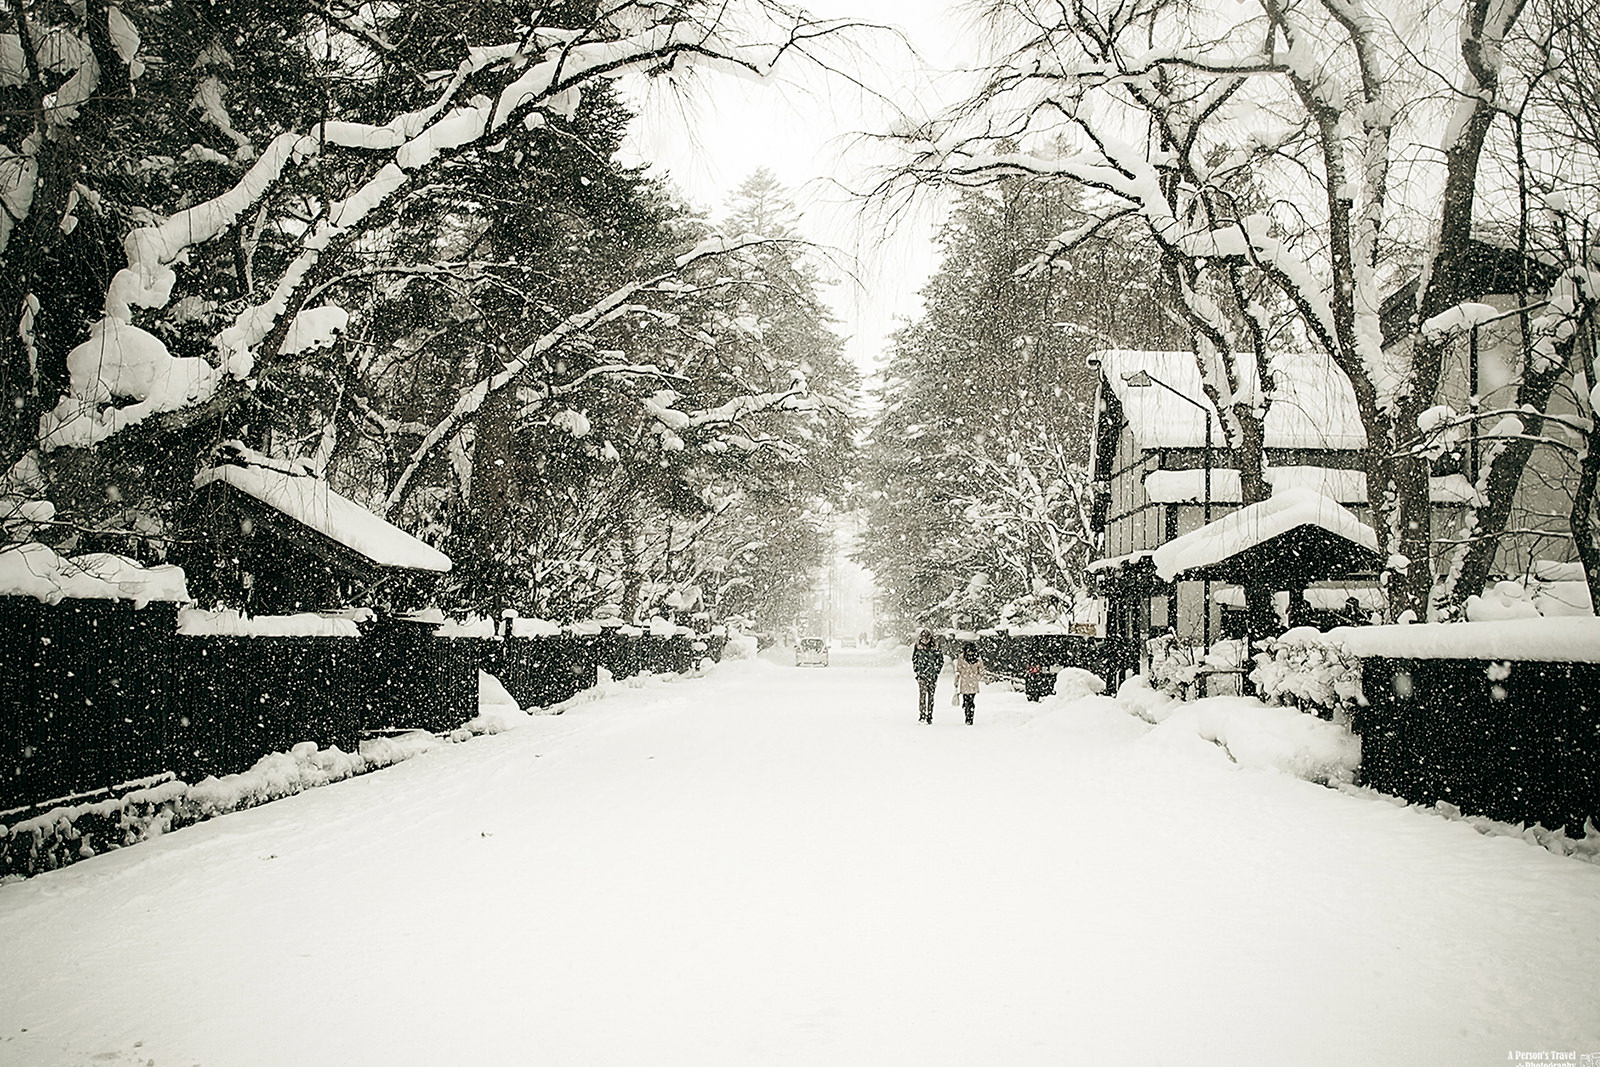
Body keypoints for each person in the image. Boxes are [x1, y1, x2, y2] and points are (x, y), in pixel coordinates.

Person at [911, 629, 943, 724]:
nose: (925, 640)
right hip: (921, 675)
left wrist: (936, 670)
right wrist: (917, 670)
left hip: (932, 675)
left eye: (926, 638)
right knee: (922, 695)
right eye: (923, 638)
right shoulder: (918, 646)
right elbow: (914, 659)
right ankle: (922, 714)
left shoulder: (935, 647)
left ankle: (929, 715)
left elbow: (940, 660)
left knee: (931, 696)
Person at [953, 642, 984, 726]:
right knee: (966, 700)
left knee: (971, 700)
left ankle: (970, 717)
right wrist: (956, 681)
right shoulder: (961, 658)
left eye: (971, 651)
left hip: (973, 682)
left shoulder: (978, 659)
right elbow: (958, 670)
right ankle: (967, 713)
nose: (970, 653)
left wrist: (976, 677)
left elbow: (981, 671)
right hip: (965, 682)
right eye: (968, 651)